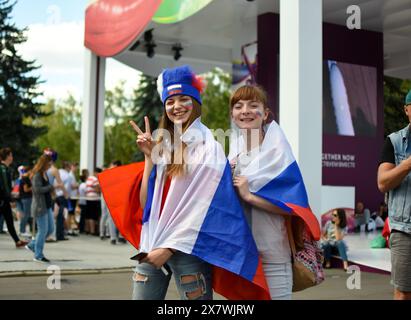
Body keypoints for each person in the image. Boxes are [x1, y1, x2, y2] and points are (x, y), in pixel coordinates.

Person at [118, 65, 271, 300]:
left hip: (188, 249)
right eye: (170, 101)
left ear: (195, 102)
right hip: (151, 244)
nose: (176, 106)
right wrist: (149, 157)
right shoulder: (164, 147)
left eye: (183, 99)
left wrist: (167, 249)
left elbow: (204, 210)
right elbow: (146, 204)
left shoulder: (210, 149)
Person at [228, 85, 321, 299]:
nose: (245, 111)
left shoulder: (279, 157)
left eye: (253, 105)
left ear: (265, 113)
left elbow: (296, 209)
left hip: (273, 255)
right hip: (241, 256)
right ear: (233, 116)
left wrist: (250, 196)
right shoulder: (232, 158)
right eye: (238, 106)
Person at [377, 89, 411, 300]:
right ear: (407, 110)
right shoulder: (395, 141)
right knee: (404, 292)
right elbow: (382, 182)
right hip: (405, 230)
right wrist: (407, 163)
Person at [25, 154, 54, 263]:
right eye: (49, 163)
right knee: (43, 231)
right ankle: (38, 255)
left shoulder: (44, 173)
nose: (51, 165)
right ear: (45, 163)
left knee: (50, 229)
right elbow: (37, 190)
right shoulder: (37, 174)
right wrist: (49, 187)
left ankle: (33, 244)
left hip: (47, 205)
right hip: (40, 207)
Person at [0, 147, 28, 248]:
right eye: (11, 155)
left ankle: (17, 241)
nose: (12, 157)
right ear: (7, 157)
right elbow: (4, 187)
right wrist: (10, 199)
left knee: (9, 220)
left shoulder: (6, 169)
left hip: (4, 199)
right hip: (3, 200)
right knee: (9, 220)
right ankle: (17, 241)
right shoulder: (3, 169)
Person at [85, 168, 102, 235]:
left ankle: (87, 230)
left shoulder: (89, 178)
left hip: (87, 198)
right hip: (94, 199)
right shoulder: (95, 179)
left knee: (88, 215)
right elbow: (97, 190)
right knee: (93, 215)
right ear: (96, 173)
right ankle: (92, 231)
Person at [19, 166, 33, 236]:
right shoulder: (25, 178)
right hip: (26, 198)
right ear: (29, 171)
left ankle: (23, 230)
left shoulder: (25, 178)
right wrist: (32, 187)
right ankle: (22, 230)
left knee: (27, 214)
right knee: (26, 214)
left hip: (26, 198)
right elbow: (25, 189)